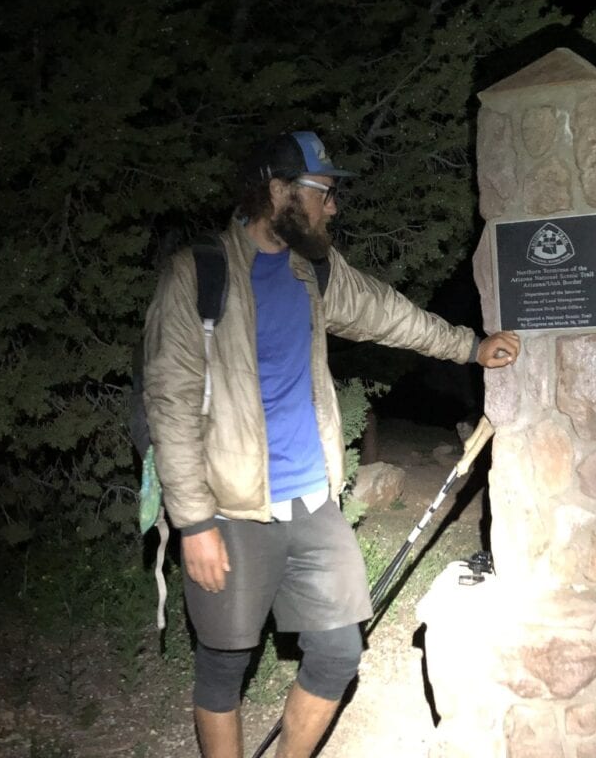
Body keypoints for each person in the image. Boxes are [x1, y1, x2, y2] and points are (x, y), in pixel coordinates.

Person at [143, 130, 519, 758]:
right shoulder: (199, 274)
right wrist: (194, 522)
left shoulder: (310, 268)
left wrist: (470, 347)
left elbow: (387, 312)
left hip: (313, 500)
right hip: (232, 510)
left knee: (341, 650)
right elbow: (171, 405)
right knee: (224, 663)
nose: (333, 207)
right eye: (324, 191)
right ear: (277, 189)